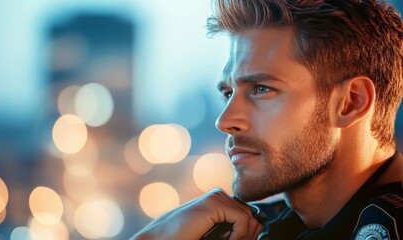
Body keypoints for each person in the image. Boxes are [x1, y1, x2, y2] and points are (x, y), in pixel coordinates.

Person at [132, 0, 403, 239]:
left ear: (351, 102)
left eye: (261, 89)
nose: (225, 121)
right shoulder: (259, 228)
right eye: (228, 93)